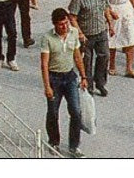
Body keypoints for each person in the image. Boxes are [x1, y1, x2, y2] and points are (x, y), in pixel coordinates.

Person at [40, 8, 88, 158]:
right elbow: (44, 64)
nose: (65, 26)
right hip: (54, 79)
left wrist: (84, 76)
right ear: (55, 24)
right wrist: (47, 86)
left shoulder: (73, 33)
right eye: (61, 24)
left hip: (70, 77)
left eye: (66, 23)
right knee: (53, 112)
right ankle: (54, 141)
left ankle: (74, 146)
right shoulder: (47, 38)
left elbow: (77, 56)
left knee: (76, 111)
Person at [68, 0, 116, 97]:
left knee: (104, 56)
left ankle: (100, 83)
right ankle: (88, 85)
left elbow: (105, 8)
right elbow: (72, 17)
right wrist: (79, 33)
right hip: (87, 35)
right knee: (87, 61)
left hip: (101, 31)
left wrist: (110, 24)